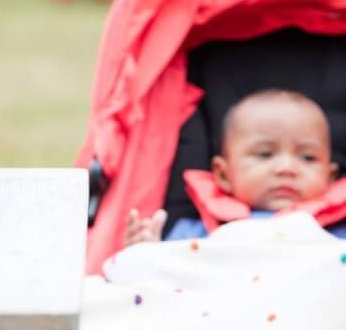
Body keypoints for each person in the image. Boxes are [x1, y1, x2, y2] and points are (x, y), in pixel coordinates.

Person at [124, 89, 345, 245]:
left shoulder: (337, 237)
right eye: (265, 154)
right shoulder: (192, 235)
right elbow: (161, 280)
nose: (286, 168)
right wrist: (144, 253)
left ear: (330, 176)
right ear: (223, 174)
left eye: (307, 158)